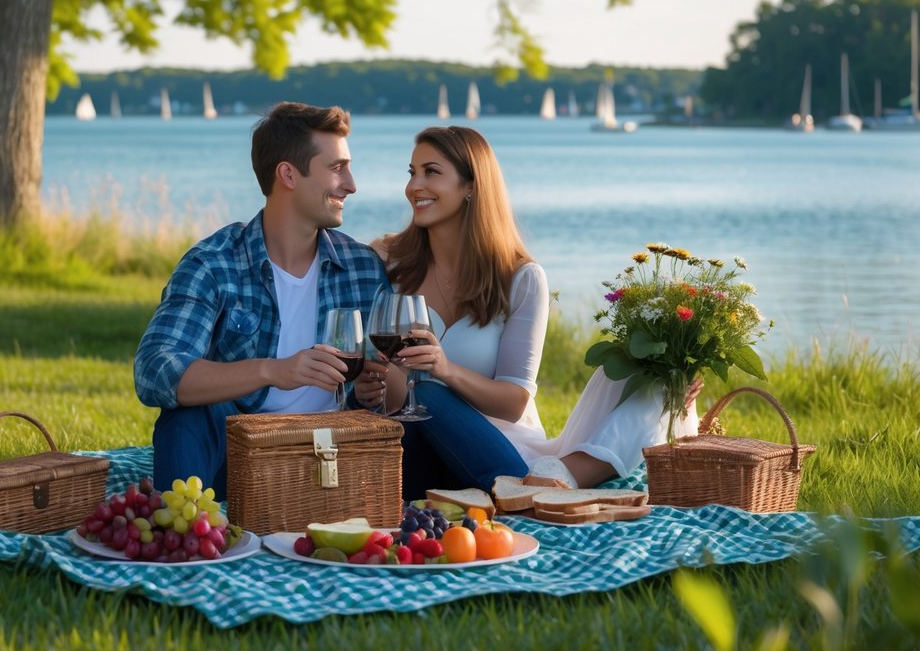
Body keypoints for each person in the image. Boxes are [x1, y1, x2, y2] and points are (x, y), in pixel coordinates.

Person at [354, 125, 699, 491]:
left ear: (471, 186)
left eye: (431, 172)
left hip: (503, 450)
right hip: (416, 453)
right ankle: (532, 493)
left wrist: (446, 370)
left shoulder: (520, 277)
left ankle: (536, 485)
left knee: (649, 374)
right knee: (422, 400)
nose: (414, 186)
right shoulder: (388, 260)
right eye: (412, 173)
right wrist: (369, 389)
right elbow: (389, 398)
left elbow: (514, 403)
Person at [134, 102, 388, 495]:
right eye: (337, 168)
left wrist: (377, 386)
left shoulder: (363, 268)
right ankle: (181, 538)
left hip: (336, 463)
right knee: (187, 416)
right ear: (288, 173)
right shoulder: (214, 264)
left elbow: (386, 383)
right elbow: (155, 370)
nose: (352, 184)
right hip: (239, 464)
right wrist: (274, 371)